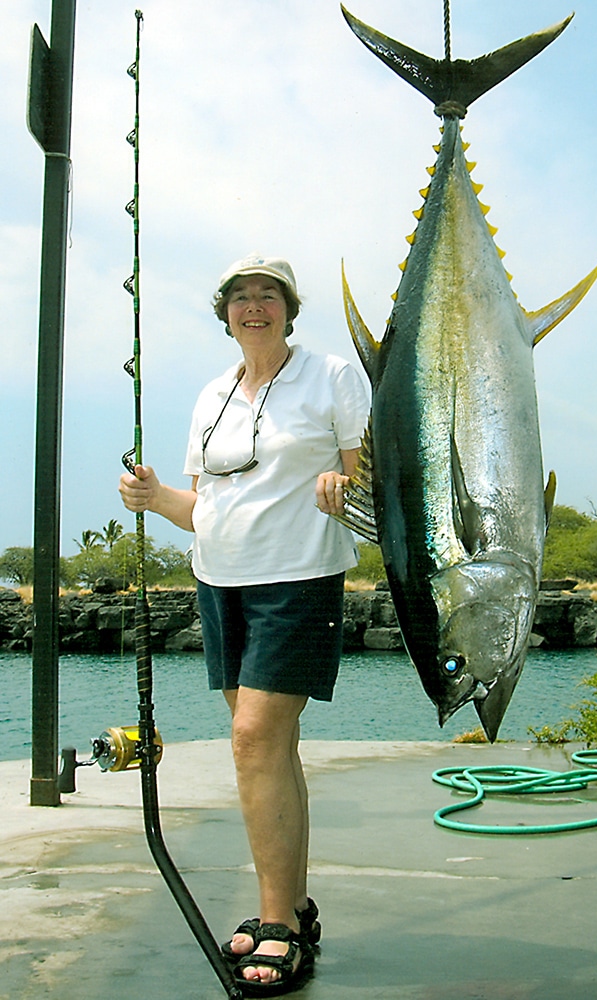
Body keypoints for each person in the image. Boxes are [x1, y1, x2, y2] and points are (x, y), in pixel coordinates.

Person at [119, 254, 368, 996]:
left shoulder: (329, 376)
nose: (252, 306)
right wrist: (155, 495)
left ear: (290, 309)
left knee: (253, 738)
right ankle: (290, 904)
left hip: (297, 577)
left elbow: (369, 486)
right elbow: (204, 510)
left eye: (268, 295)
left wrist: (340, 485)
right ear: (222, 311)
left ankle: (277, 926)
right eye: (239, 296)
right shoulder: (212, 394)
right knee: (270, 747)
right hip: (217, 579)